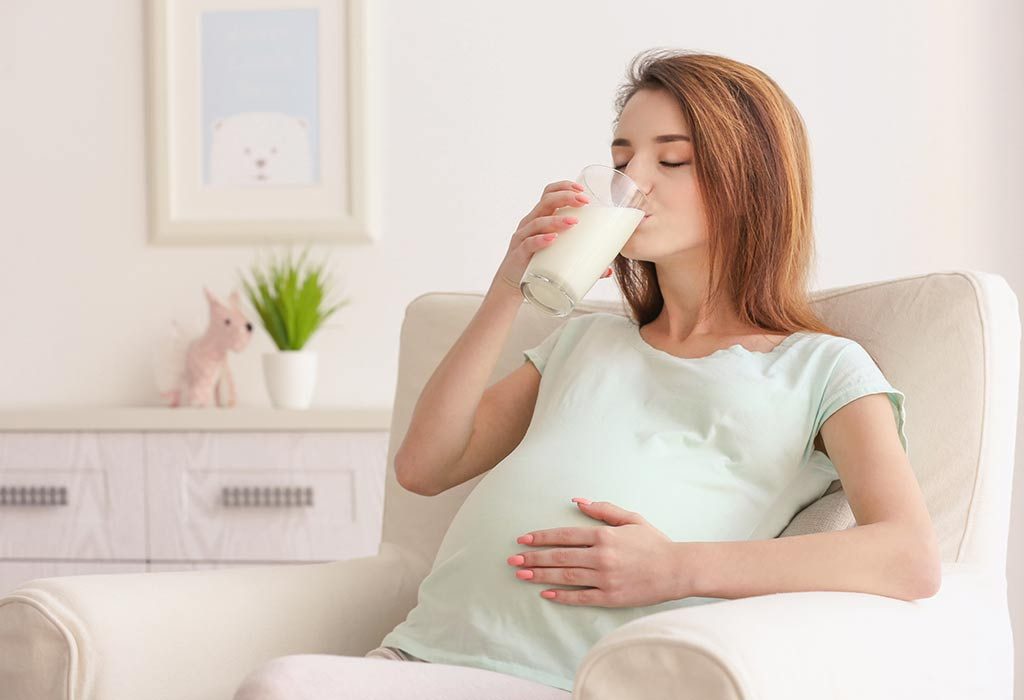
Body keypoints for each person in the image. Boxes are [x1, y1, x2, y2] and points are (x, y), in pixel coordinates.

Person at [232, 48, 939, 699]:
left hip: (571, 682)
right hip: (422, 659)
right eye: (623, 159)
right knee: (282, 685)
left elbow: (908, 556)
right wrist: (510, 285)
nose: (635, 183)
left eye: (674, 160)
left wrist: (678, 568)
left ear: (747, 181)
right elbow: (424, 465)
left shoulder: (820, 367)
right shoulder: (587, 342)